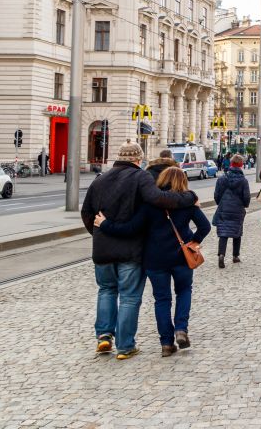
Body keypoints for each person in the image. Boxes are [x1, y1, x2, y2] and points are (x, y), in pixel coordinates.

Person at [80, 140, 197, 360]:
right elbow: (159, 199)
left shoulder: (100, 179)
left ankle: (104, 336)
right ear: (137, 159)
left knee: (106, 290)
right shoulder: (140, 176)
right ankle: (125, 346)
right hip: (131, 249)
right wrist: (189, 198)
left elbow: (86, 213)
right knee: (129, 297)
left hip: (103, 248)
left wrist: (99, 235)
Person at [93, 167, 211, 357]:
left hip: (155, 259)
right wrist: (193, 242)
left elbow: (131, 228)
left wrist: (105, 224)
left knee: (162, 299)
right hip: (182, 257)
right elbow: (205, 226)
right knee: (184, 291)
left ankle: (166, 343)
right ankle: (181, 329)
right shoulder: (189, 203)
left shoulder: (150, 205)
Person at [213, 154, 251, 268]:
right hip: (237, 209)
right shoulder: (243, 180)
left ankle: (221, 255)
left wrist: (221, 203)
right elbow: (247, 197)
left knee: (223, 233)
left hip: (224, 208)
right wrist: (245, 205)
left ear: (231, 164)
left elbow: (216, 195)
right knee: (237, 232)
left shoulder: (222, 178)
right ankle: (235, 256)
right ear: (241, 165)